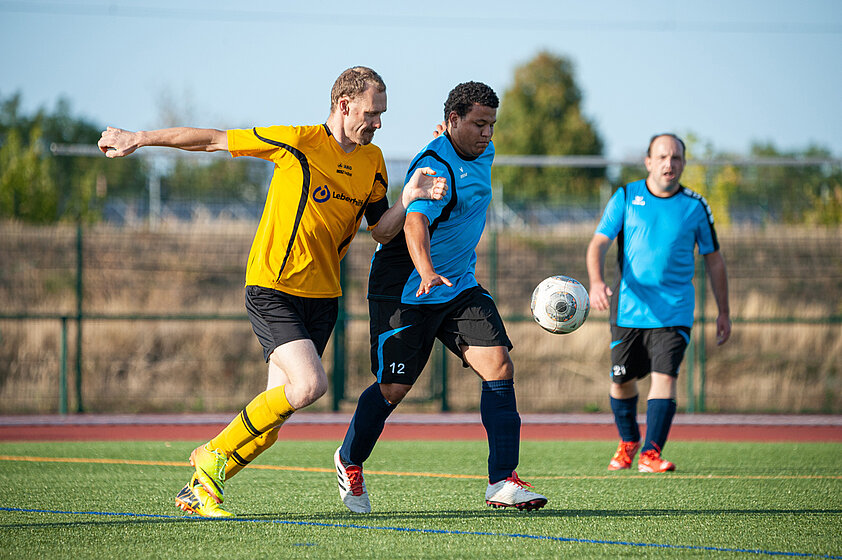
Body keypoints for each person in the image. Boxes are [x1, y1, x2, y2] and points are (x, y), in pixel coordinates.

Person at [97, 66, 447, 517]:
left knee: (273, 419)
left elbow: (380, 231)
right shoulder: (298, 142)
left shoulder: (373, 162)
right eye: (372, 113)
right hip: (273, 288)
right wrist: (140, 137)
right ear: (344, 105)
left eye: (382, 114)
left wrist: (409, 199)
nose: (378, 122)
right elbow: (213, 139)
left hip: (323, 298)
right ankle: (209, 455)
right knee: (310, 384)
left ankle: (198, 488)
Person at [332, 81, 547, 514]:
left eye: (492, 124)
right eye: (478, 124)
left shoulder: (478, 149)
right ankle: (349, 459)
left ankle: (503, 481)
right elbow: (413, 224)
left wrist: (443, 273)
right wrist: (427, 271)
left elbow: (467, 152)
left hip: (458, 286)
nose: (487, 133)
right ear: (453, 121)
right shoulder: (433, 168)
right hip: (408, 288)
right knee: (393, 388)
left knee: (498, 364)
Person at [586, 133, 731, 473]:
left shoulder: (696, 206)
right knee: (621, 380)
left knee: (664, 377)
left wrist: (724, 311)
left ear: (683, 163)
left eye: (677, 158)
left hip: (674, 309)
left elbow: (715, 260)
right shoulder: (625, 196)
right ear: (648, 161)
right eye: (662, 157)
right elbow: (598, 244)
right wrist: (595, 282)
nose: (670, 163)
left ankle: (651, 453)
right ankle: (628, 440)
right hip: (628, 308)